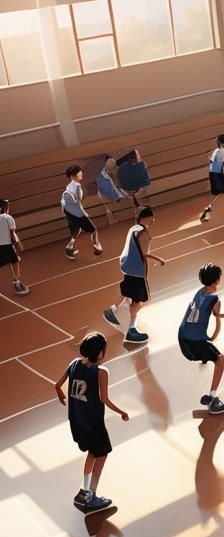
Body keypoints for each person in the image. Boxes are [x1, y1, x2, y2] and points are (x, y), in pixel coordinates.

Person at [54, 331, 129, 512]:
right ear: (101, 353)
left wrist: (61, 394)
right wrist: (122, 412)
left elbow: (56, 385)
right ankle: (90, 496)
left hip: (76, 420)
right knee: (102, 453)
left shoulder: (74, 364)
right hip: (93, 422)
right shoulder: (101, 372)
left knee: (92, 452)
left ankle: (83, 492)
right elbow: (105, 399)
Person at [178, 263, 224, 414]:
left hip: (182, 336)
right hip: (196, 340)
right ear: (216, 281)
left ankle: (205, 358)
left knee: (207, 351)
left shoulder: (200, 292)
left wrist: (212, 337)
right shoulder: (215, 299)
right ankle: (212, 399)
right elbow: (218, 317)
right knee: (220, 359)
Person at [103, 206, 164, 344]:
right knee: (138, 300)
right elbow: (144, 253)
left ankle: (112, 310)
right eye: (151, 216)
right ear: (146, 217)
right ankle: (132, 330)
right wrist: (159, 259)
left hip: (128, 267)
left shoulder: (133, 229)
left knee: (127, 291)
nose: (153, 219)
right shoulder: (144, 232)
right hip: (137, 270)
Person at [61, 165, 102, 259]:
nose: (81, 174)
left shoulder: (68, 187)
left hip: (69, 213)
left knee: (76, 230)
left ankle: (69, 248)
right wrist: (84, 214)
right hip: (77, 213)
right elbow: (78, 202)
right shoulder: (77, 186)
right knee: (94, 230)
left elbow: (65, 202)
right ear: (74, 175)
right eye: (79, 172)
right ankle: (97, 247)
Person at [200, 134, 224, 223]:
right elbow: (216, 162)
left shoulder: (221, 151)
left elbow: (222, 161)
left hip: (216, 174)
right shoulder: (219, 151)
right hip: (216, 174)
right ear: (223, 142)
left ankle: (208, 209)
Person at [0, 199, 29, 295]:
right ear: (4, 208)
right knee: (11, 263)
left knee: (14, 261)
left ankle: (17, 281)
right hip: (5, 246)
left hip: (6, 245)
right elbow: (12, 233)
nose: (8, 208)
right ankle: (16, 283)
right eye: (7, 206)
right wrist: (18, 243)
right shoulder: (8, 217)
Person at [96, 155, 134, 222]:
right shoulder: (101, 180)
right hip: (115, 202)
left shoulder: (120, 170)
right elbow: (109, 196)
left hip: (124, 199)